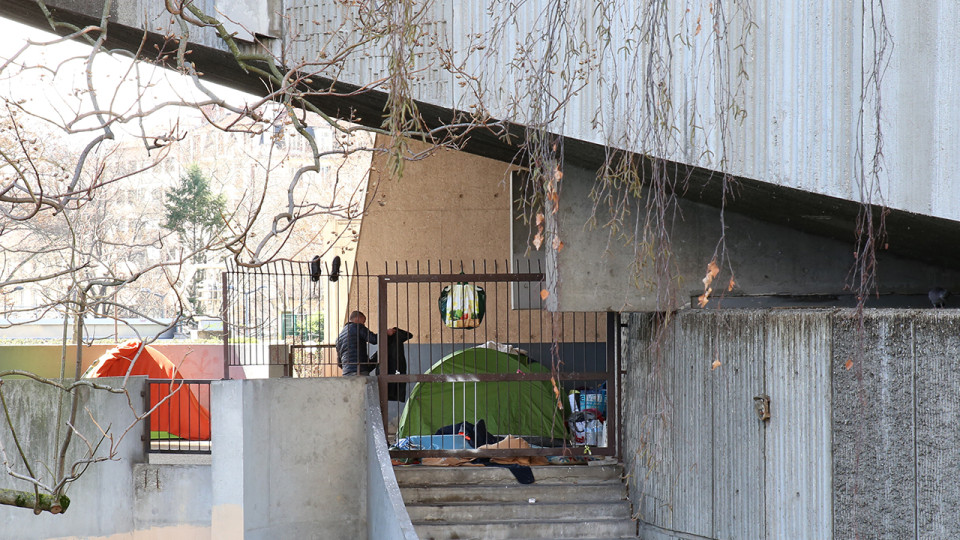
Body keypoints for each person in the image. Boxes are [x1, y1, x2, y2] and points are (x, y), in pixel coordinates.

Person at [336, 311, 394, 375]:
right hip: (359, 370)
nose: (363, 324)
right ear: (357, 318)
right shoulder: (358, 327)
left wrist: (348, 368)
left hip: (346, 373)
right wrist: (386, 333)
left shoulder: (339, 338)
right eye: (363, 322)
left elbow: (339, 363)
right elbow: (374, 339)